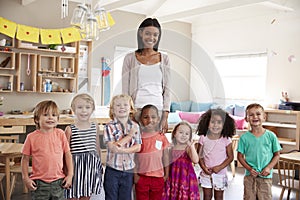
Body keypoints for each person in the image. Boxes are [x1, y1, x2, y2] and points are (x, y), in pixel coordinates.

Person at [122, 17, 171, 133]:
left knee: (155, 148)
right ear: (141, 33)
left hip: (157, 112)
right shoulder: (130, 58)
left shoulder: (164, 58)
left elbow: (167, 90)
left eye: (155, 35)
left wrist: (165, 116)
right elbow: (125, 90)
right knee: (136, 147)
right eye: (148, 33)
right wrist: (129, 114)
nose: (151, 38)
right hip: (137, 111)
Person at [21, 100, 73, 200]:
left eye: (54, 115)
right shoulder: (31, 137)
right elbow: (25, 159)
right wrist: (26, 178)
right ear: (36, 119)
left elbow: (67, 155)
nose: (50, 117)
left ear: (57, 119)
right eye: (45, 115)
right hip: (39, 183)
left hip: (59, 182)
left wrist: (70, 175)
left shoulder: (61, 134)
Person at [237, 103, 281, 200]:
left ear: (264, 117)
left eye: (258, 114)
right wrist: (249, 169)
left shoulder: (271, 136)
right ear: (246, 119)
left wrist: (268, 168)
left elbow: (277, 155)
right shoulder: (244, 138)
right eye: (251, 115)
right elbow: (240, 157)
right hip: (249, 177)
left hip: (266, 177)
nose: (255, 117)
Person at [64, 93, 103, 200]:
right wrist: (66, 170)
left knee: (86, 195)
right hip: (74, 167)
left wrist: (99, 166)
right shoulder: (70, 129)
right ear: (73, 109)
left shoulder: (95, 127)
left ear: (92, 109)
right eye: (80, 107)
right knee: (71, 195)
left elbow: (97, 147)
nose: (84, 110)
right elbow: (65, 152)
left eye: (87, 107)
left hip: (90, 167)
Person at [103, 94, 142, 200]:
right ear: (112, 109)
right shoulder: (109, 126)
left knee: (126, 197)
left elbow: (138, 147)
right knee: (111, 197)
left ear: (130, 109)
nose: (122, 107)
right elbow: (113, 148)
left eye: (125, 105)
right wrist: (129, 136)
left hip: (129, 170)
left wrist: (122, 149)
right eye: (118, 105)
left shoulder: (135, 126)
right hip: (113, 170)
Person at [196, 108, 236, 200]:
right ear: (207, 123)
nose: (215, 125)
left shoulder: (226, 139)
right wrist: (204, 168)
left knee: (219, 197)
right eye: (212, 122)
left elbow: (230, 157)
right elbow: (199, 156)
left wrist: (219, 167)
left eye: (219, 122)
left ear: (224, 124)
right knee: (207, 196)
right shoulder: (203, 138)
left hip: (220, 174)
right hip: (206, 173)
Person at [134, 104, 170, 200]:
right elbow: (134, 157)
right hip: (142, 178)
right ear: (141, 120)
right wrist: (135, 175)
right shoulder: (138, 137)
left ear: (158, 119)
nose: (150, 120)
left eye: (153, 117)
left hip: (158, 178)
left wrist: (166, 175)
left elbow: (166, 157)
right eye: (146, 117)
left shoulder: (161, 137)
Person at [162, 121, 200, 200]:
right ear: (175, 134)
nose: (184, 135)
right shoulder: (171, 148)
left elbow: (196, 160)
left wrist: (192, 146)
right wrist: (166, 175)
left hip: (186, 179)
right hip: (174, 177)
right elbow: (167, 163)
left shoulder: (188, 148)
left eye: (187, 134)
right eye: (181, 132)